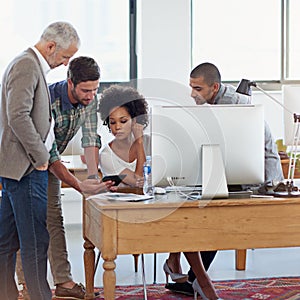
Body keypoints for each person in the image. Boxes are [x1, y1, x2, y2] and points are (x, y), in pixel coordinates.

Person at [165, 62, 284, 296]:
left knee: (208, 215)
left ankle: (194, 277)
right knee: (189, 205)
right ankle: (186, 270)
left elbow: (232, 152)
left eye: (197, 88)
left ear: (214, 87)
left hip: (258, 179)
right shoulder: (215, 102)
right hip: (235, 172)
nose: (192, 94)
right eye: (191, 87)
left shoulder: (231, 106)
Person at [98, 85, 221, 299]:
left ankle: (180, 265)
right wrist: (138, 141)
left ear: (135, 120)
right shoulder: (106, 154)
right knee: (181, 224)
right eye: (112, 122)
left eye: (123, 121)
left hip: (158, 208)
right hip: (127, 216)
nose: (117, 127)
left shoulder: (151, 141)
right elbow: (140, 179)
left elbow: (164, 175)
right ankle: (202, 282)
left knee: (190, 219)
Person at [15, 56, 114, 300]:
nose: (91, 95)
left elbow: (90, 139)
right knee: (27, 223)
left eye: (95, 89)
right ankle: (27, 286)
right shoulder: (46, 101)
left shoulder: (91, 100)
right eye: (86, 90)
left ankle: (63, 281)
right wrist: (80, 185)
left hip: (48, 162)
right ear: (70, 83)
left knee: (54, 219)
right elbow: (50, 153)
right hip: (23, 160)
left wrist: (91, 178)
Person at [0, 21, 80, 300]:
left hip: (17, 168)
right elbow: (18, 116)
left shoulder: (29, 65)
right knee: (35, 242)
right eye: (65, 56)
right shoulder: (26, 65)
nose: (65, 63)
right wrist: (42, 158)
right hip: (26, 168)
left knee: (6, 241)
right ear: (50, 46)